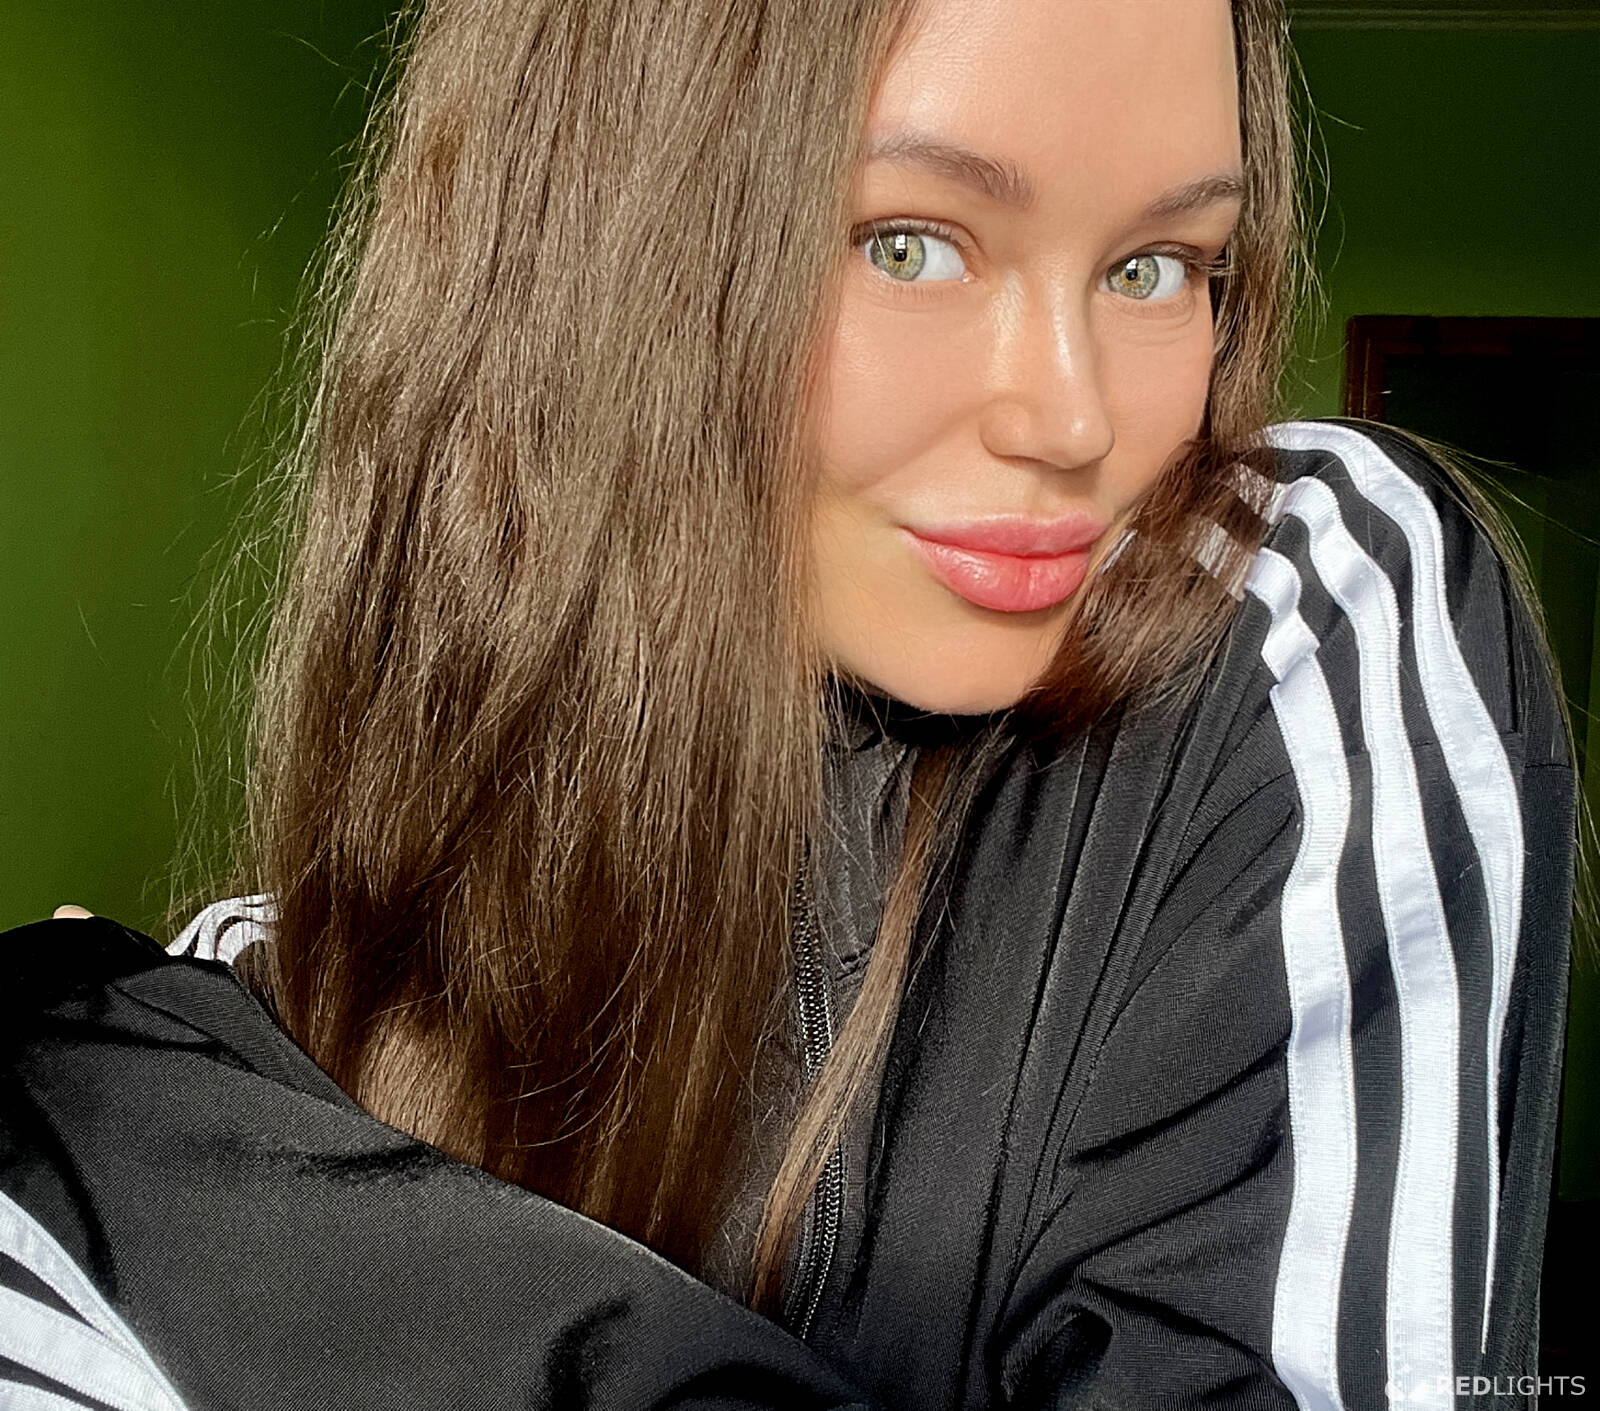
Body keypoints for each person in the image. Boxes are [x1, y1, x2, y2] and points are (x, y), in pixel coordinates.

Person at [0, 0, 1576, 1407]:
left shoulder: (1296, 601)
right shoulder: (311, 955)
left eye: (1159, 268)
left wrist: (176, 1166)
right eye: (911, 244)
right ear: (595, 256)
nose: (1076, 415)